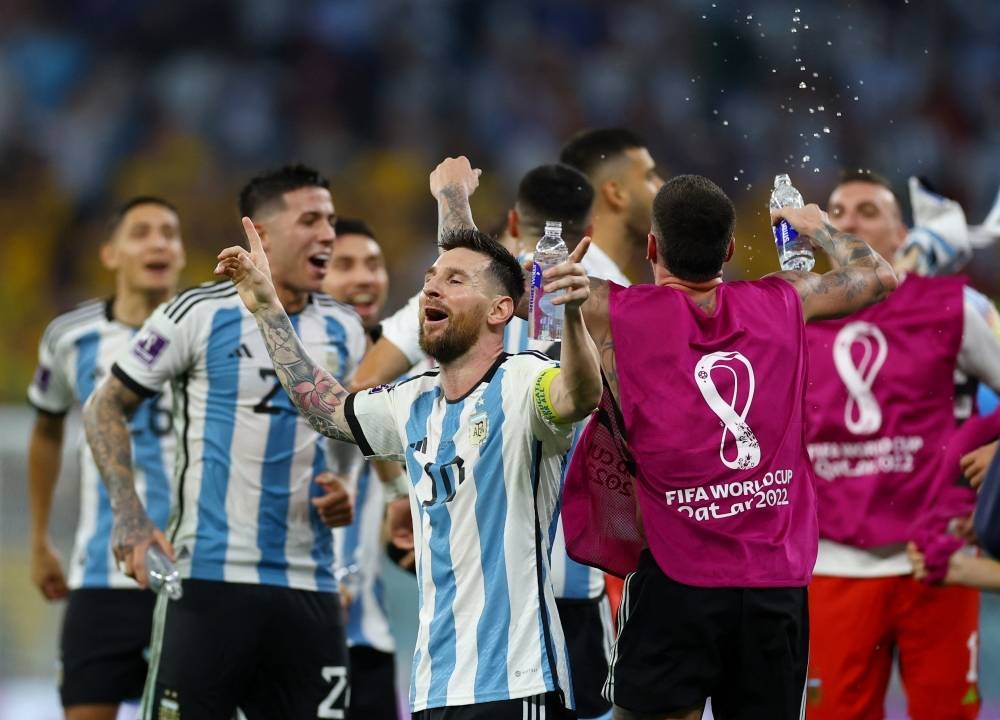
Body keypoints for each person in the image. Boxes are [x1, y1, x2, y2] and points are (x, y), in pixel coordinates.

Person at [213, 155, 604, 719]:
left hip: (518, 684)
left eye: (452, 281)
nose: (431, 290)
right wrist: (270, 310)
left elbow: (579, 394)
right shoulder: (409, 401)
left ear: (501, 310)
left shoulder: (524, 385)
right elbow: (324, 407)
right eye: (428, 280)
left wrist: (570, 316)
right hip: (431, 689)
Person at [558, 174, 897, 720]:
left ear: (652, 247)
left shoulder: (614, 312)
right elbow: (880, 275)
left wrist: (456, 206)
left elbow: (507, 294)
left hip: (675, 579)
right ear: (731, 250)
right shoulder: (786, 301)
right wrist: (818, 226)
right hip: (774, 585)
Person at [83, 165, 366, 720]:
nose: (329, 234)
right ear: (261, 232)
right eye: (310, 219)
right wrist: (130, 516)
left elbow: (355, 433)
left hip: (309, 583)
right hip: (209, 579)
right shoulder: (198, 312)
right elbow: (104, 407)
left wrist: (345, 485)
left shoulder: (345, 328)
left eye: (331, 220)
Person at [355, 160, 616, 719]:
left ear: (515, 219)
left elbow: (364, 380)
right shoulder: (602, 289)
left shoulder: (473, 288)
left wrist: (401, 492)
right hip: (579, 569)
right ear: (590, 227)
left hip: (506, 593)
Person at [803, 171, 1000, 720]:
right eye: (837, 212)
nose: (847, 221)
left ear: (901, 235)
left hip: (937, 558)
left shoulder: (955, 307)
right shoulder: (791, 314)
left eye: (868, 212)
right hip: (833, 561)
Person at [28, 197, 185, 720]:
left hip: (194, 570)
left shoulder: (210, 331)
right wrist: (40, 538)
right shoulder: (70, 337)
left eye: (169, 233)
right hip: (98, 574)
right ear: (110, 253)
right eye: (142, 232)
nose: (159, 242)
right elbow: (46, 431)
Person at [321, 216, 404, 720]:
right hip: (294, 620)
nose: (364, 278)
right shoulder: (293, 370)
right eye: (344, 265)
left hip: (369, 632)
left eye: (373, 264)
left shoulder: (413, 370)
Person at [559, 127, 664, 284]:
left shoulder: (581, 277)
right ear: (615, 194)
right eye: (649, 176)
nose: (662, 185)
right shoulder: (576, 284)